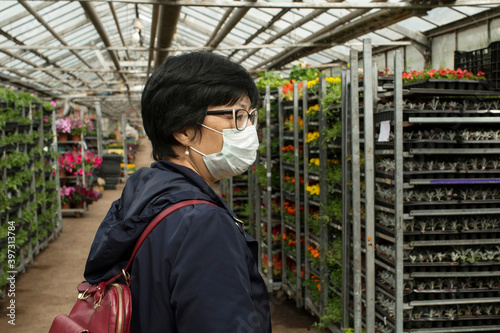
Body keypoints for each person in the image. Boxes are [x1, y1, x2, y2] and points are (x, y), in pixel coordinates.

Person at [84, 52, 271, 332]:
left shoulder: (145, 191)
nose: (249, 130)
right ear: (184, 131)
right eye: (238, 116)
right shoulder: (202, 224)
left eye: (250, 116)